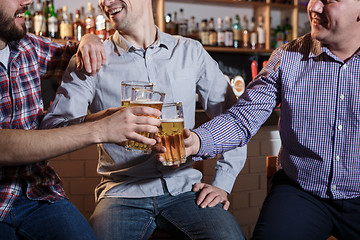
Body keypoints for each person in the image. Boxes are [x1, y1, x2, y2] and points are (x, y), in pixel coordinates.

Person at [40, 0, 248, 239]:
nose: (105, 2)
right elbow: (52, 128)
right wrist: (101, 123)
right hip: (120, 194)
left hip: (185, 190)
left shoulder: (190, 52)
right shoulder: (92, 57)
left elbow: (235, 120)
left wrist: (223, 182)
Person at [170, 0, 360, 239]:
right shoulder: (287, 58)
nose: (314, 7)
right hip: (301, 192)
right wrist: (198, 141)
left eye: (329, 0)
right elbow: (242, 119)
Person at [0, 0, 162, 239]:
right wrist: (101, 129)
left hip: (38, 192)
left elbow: (79, 53)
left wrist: (89, 39)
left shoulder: (27, 46)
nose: (27, 1)